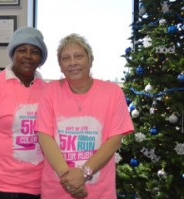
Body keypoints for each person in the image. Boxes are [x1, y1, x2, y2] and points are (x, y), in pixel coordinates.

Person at [35, 33, 134, 199]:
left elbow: (114, 140)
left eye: (79, 56)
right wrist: (68, 178)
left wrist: (84, 173)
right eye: (66, 58)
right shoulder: (50, 91)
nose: (73, 62)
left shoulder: (112, 92)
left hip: (99, 192)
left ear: (91, 60)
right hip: (57, 190)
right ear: (60, 66)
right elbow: (45, 137)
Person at [0, 26, 48, 199]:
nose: (28, 56)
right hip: (0, 186)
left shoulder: (48, 91)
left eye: (35, 51)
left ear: (41, 59)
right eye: (22, 50)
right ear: (13, 53)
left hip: (39, 186)